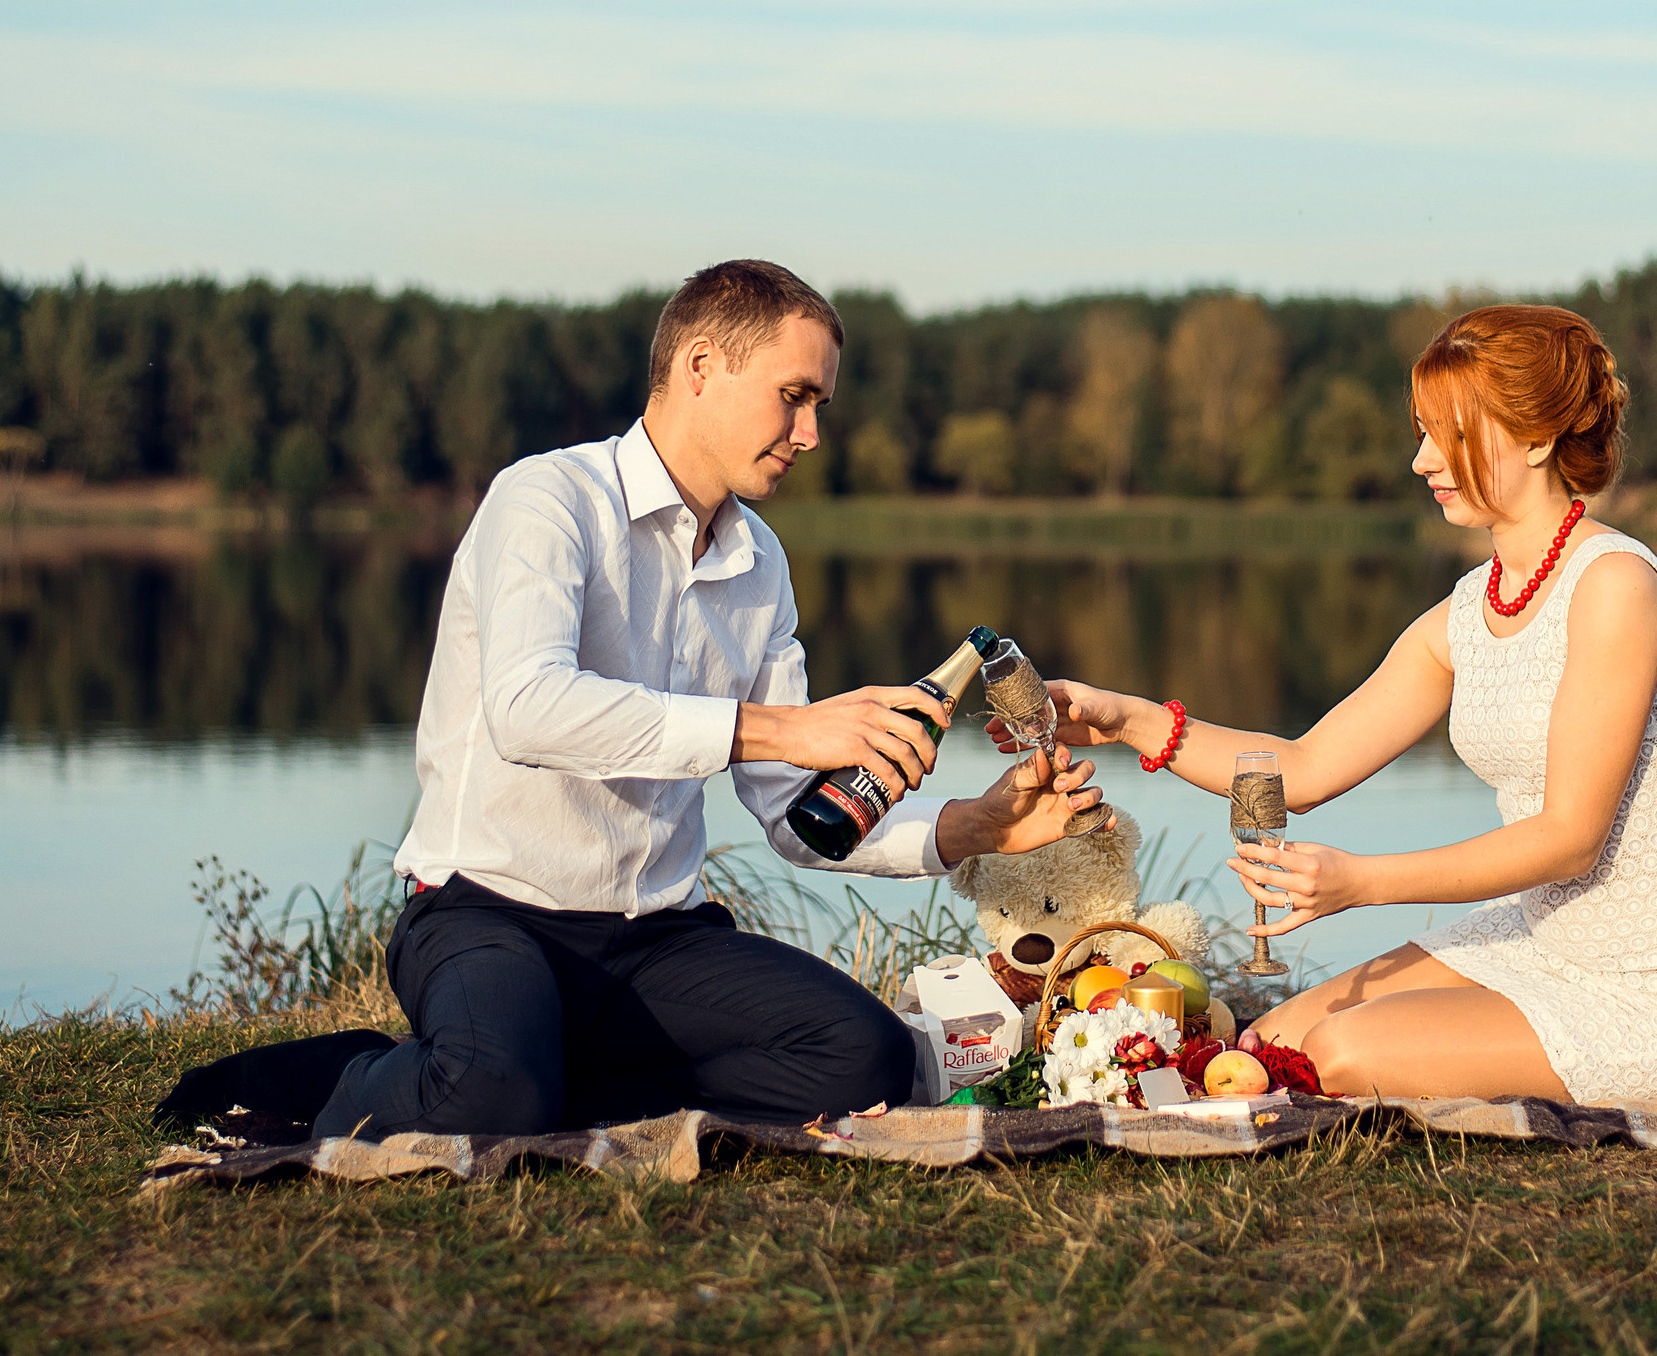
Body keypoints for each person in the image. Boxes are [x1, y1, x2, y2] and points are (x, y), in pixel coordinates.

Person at [314, 260, 1103, 1138]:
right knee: (488, 1093)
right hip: (485, 912)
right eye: (793, 396)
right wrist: (780, 729)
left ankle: (543, 1079)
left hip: (658, 940)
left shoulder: (760, 563)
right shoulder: (548, 499)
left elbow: (796, 819)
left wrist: (973, 830)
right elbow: (526, 706)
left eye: (820, 407)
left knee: (864, 1060)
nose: (809, 433)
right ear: (700, 368)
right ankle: (356, 1080)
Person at [994, 305, 1657, 1104]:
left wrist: (1361, 881)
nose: (1421, 460)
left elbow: (1570, 838)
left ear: (1538, 439)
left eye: (1450, 435)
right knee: (1272, 1041)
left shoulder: (1616, 587)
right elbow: (1302, 767)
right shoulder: (1468, 613)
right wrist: (1126, 718)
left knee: (1341, 1052)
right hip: (1544, 941)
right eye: (1421, 431)